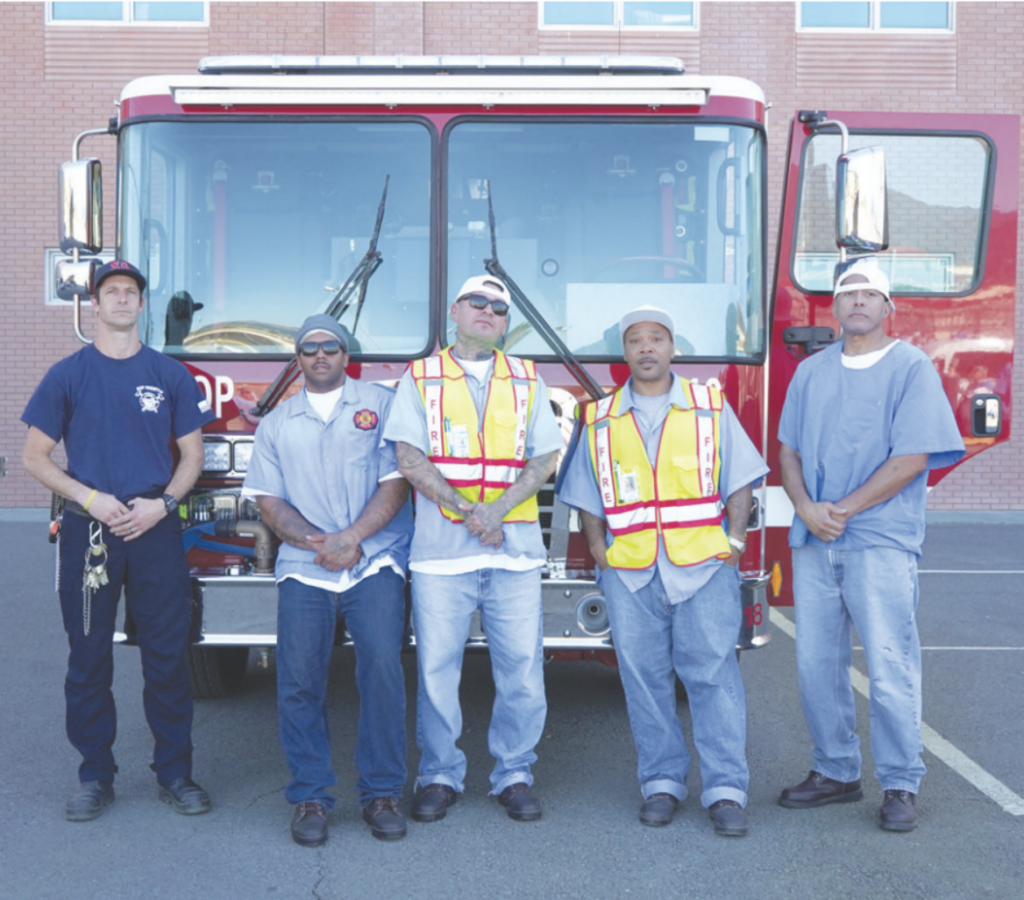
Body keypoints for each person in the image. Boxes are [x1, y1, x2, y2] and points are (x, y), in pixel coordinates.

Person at [557, 305, 767, 837]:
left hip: (703, 567)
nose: (646, 348)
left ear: (673, 348)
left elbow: (739, 478)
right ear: (625, 353)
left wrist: (735, 540)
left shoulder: (708, 404)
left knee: (712, 677)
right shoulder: (600, 417)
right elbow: (585, 497)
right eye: (635, 341)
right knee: (644, 682)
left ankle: (725, 791)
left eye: (656, 339)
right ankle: (661, 784)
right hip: (630, 575)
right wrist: (602, 556)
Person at [21, 259, 214, 821]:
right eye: (112, 292)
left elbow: (193, 455)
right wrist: (89, 499)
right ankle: (94, 775)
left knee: (167, 658)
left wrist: (164, 504)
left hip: (154, 529)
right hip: (90, 533)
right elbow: (36, 457)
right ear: (96, 305)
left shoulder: (171, 375)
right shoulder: (67, 375)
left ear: (141, 304)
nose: (123, 300)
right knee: (87, 658)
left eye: (131, 292)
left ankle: (176, 773)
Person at [777, 257, 965, 832]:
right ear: (833, 307)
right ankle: (835, 770)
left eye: (869, 294)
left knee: (889, 664)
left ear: (889, 308)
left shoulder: (910, 369)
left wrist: (844, 509)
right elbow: (789, 452)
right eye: (848, 294)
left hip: (879, 540)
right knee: (815, 665)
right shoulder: (811, 373)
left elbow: (911, 458)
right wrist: (807, 507)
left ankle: (901, 782)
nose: (858, 302)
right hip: (816, 537)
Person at [383, 275, 563, 823]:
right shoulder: (421, 377)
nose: (488, 312)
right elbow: (409, 457)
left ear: (506, 325)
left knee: (523, 672)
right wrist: (471, 512)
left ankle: (514, 774)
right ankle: (439, 775)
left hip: (514, 554)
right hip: (442, 554)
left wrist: (496, 511)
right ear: (456, 312)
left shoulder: (529, 380)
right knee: (437, 669)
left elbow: (544, 458)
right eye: (478, 303)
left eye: (499, 308)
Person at [243, 314, 413, 847]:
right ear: (298, 359)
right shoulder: (277, 422)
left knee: (383, 671)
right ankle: (310, 795)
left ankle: (382, 793)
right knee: (298, 681)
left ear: (346, 355)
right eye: (309, 348)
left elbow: (397, 483)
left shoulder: (382, 406)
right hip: (304, 567)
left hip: (374, 561)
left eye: (331, 347)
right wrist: (317, 541)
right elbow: (269, 499)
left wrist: (353, 538)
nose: (320, 355)